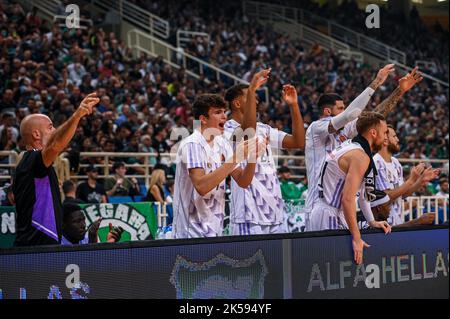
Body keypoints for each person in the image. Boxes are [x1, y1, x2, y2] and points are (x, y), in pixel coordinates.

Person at [304, 66, 423, 231]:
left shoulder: (345, 131)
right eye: (340, 108)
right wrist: (377, 81)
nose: (344, 111)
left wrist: (399, 91)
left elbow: (373, 120)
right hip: (319, 204)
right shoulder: (316, 129)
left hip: (339, 206)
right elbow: (350, 115)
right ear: (327, 111)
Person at [172, 94, 266, 239]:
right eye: (217, 112)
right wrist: (236, 158)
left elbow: (243, 181)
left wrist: (252, 157)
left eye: (224, 112)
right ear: (203, 119)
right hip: (189, 234)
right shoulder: (192, 145)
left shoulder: (222, 144)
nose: (224, 117)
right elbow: (201, 187)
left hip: (215, 230)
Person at [224, 70, 305, 235]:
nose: (256, 99)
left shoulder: (264, 128)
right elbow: (248, 131)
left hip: (274, 210)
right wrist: (252, 87)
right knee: (249, 261)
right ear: (237, 104)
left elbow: (298, 141)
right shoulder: (226, 129)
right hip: (248, 212)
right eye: (250, 95)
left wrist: (294, 106)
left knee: (277, 260)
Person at [13, 93, 99, 246]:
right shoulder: (32, 158)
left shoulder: (31, 163)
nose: (54, 131)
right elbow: (55, 144)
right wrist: (77, 116)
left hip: (38, 247)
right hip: (36, 248)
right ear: (36, 134)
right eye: (51, 127)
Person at [309, 112, 392, 265]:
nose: (386, 136)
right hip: (330, 215)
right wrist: (357, 237)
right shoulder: (360, 156)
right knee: (330, 271)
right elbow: (347, 200)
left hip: (325, 211)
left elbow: (361, 194)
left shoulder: (353, 145)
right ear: (373, 133)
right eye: (385, 131)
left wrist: (372, 221)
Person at [374, 125, 440, 226]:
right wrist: (411, 180)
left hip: (398, 222)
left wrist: (420, 181)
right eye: (394, 136)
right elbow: (386, 197)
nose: (398, 139)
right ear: (385, 140)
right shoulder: (377, 162)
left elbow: (402, 193)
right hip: (384, 225)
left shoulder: (396, 163)